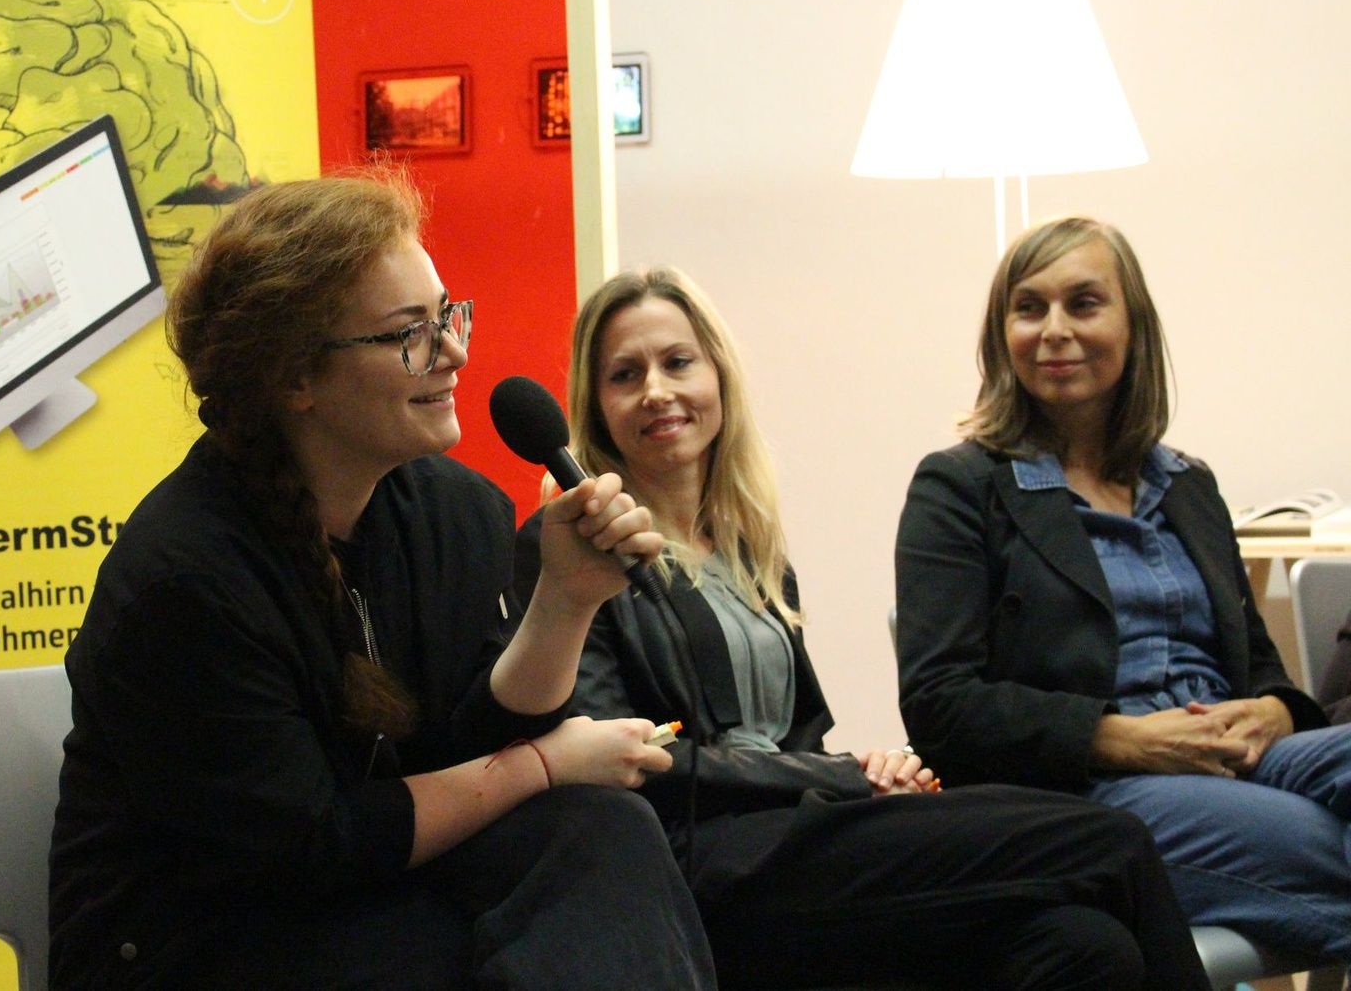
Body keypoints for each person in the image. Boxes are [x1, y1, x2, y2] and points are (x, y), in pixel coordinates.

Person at [48, 173, 717, 989]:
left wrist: (565, 600)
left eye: (448, 316)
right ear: (295, 378)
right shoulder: (185, 579)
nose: (455, 353)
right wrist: (541, 767)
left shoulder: (453, 511)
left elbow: (467, 743)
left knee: (602, 827)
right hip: (207, 939)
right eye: (410, 335)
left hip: (382, 892)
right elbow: (310, 846)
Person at [514, 266, 1211, 990]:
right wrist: (845, 776)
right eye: (626, 375)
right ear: (597, 405)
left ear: (718, 377)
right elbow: (629, 760)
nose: (657, 390)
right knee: (1111, 842)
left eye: (677, 362)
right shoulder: (571, 552)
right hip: (703, 867)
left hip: (797, 841)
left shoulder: (751, 552)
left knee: (1085, 948)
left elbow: (795, 742)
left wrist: (870, 776)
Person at [894, 216, 1351, 963]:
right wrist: (1123, 739)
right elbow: (940, 703)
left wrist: (1272, 711)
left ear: (1133, 325)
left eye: (1083, 303)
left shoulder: (1188, 484)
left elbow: (1261, 667)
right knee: (1313, 843)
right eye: (1029, 308)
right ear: (1001, 335)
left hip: (1234, 754)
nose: (1054, 330)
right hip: (1090, 789)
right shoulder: (961, 486)